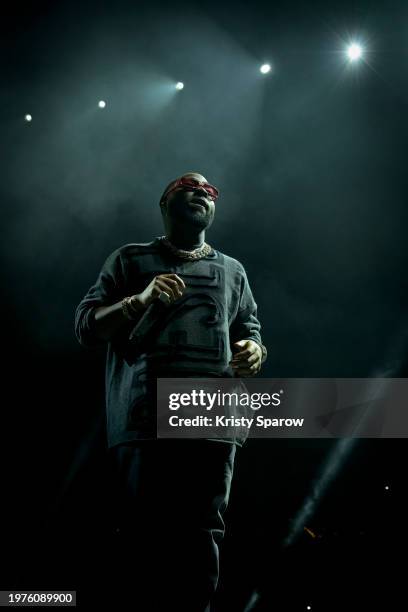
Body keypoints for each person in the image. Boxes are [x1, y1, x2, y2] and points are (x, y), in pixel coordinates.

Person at [74, 172, 267, 611]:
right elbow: (86, 328)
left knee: (202, 538)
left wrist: (255, 351)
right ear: (164, 203)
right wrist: (137, 301)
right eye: (189, 186)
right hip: (145, 421)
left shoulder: (233, 270)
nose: (202, 191)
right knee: (142, 538)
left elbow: (250, 329)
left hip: (214, 420)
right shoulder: (129, 259)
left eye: (210, 190)